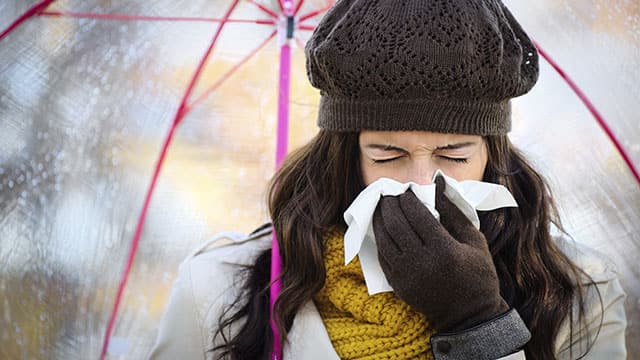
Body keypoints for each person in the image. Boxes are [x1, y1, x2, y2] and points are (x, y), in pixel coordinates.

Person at [149, 0, 627, 359]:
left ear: (492, 154)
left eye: (453, 154)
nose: (421, 183)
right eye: (388, 153)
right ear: (343, 156)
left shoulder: (579, 294)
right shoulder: (218, 288)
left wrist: (479, 324)